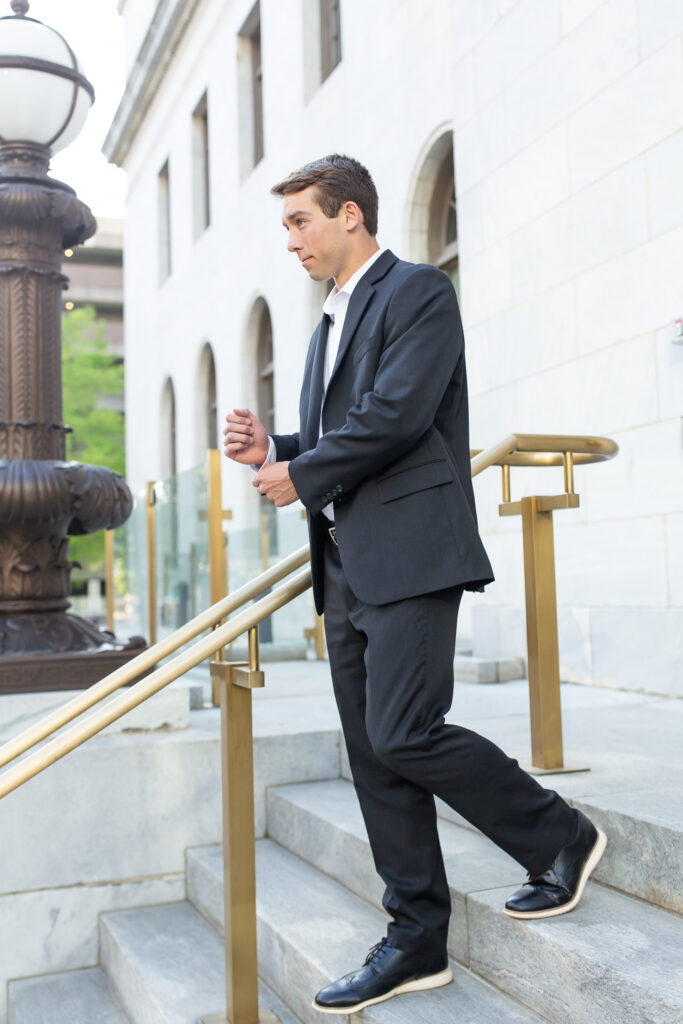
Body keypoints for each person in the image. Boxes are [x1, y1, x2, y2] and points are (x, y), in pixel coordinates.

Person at [223, 154, 607, 1016]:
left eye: (300, 221)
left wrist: (302, 473)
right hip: (343, 563)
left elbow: (396, 415)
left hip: (411, 551)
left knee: (403, 733)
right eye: (286, 226)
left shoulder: (419, 291)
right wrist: (275, 448)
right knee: (373, 754)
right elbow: (343, 429)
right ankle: (415, 937)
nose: (290, 241)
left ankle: (559, 834)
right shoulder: (325, 325)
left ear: (349, 215)